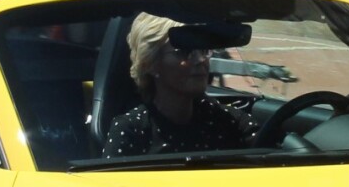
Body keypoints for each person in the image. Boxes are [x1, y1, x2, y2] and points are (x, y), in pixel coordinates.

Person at [101, 14, 256, 156]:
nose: (200, 60)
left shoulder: (229, 122)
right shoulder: (130, 131)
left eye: (203, 50)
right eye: (183, 52)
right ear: (151, 63)